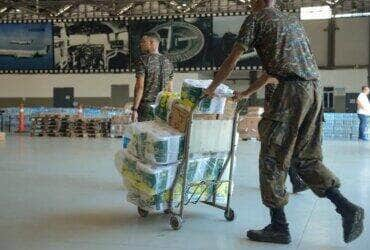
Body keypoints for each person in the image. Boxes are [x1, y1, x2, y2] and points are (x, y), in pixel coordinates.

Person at [204, 0, 364, 245]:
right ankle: (346, 207)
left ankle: (279, 226)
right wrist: (247, 93)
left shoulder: (257, 18)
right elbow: (271, 72)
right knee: (305, 157)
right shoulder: (292, 21)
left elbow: (233, 58)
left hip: (290, 91)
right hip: (313, 89)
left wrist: (212, 87)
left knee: (272, 157)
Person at [265, 82, 308, 194]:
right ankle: (289, 182)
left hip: (282, 123)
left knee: (281, 154)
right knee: (279, 154)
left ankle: (292, 182)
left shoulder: (282, 83)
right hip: (278, 124)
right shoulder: (275, 83)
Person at [131, 32, 174, 122]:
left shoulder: (143, 60)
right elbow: (170, 89)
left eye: (143, 42)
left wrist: (135, 109)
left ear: (152, 43)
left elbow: (140, 87)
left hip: (146, 108)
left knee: (145, 135)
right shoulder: (168, 62)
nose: (141, 44)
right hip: (163, 107)